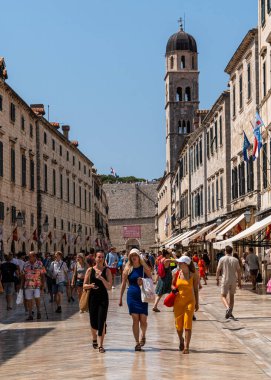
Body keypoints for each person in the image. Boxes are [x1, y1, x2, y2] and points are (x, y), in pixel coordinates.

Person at [119, 248, 152, 351]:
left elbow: (151, 280)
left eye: (135, 255)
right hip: (132, 295)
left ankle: (143, 335)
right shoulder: (127, 269)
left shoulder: (144, 268)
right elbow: (123, 284)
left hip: (142, 295)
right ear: (130, 257)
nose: (134, 257)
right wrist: (120, 298)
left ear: (139, 257)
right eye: (132, 255)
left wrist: (143, 280)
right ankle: (137, 342)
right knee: (135, 319)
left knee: (143, 319)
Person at [83, 250, 112, 353]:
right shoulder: (90, 270)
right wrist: (91, 285)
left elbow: (109, 287)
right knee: (93, 322)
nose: (100, 259)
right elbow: (84, 285)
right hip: (92, 299)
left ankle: (101, 345)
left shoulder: (107, 271)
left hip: (103, 299)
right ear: (95, 258)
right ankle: (94, 338)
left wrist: (101, 278)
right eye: (98, 257)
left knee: (101, 321)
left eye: (102, 257)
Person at [172, 255, 199, 354]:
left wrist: (197, 303)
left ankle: (187, 347)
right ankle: (181, 340)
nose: (178, 264)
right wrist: (173, 288)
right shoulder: (176, 273)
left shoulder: (194, 275)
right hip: (178, 302)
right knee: (178, 326)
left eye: (180, 262)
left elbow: (196, 290)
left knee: (188, 323)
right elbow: (172, 284)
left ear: (186, 264)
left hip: (190, 302)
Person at [216, 245, 241, 320]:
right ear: (231, 251)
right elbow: (239, 271)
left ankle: (227, 308)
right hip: (233, 280)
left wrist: (217, 279)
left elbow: (218, 270)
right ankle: (230, 312)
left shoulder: (222, 259)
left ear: (225, 251)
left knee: (223, 295)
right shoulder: (235, 260)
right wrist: (239, 282)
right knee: (232, 296)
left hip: (225, 279)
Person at [21, 251, 46, 321]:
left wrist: (43, 285)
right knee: (29, 300)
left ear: (34, 256)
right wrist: (21, 286)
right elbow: (23, 275)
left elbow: (43, 274)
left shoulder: (40, 263)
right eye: (28, 256)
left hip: (37, 285)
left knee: (37, 298)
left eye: (30, 256)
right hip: (27, 285)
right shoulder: (26, 264)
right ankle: (30, 315)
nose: (29, 258)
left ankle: (38, 311)